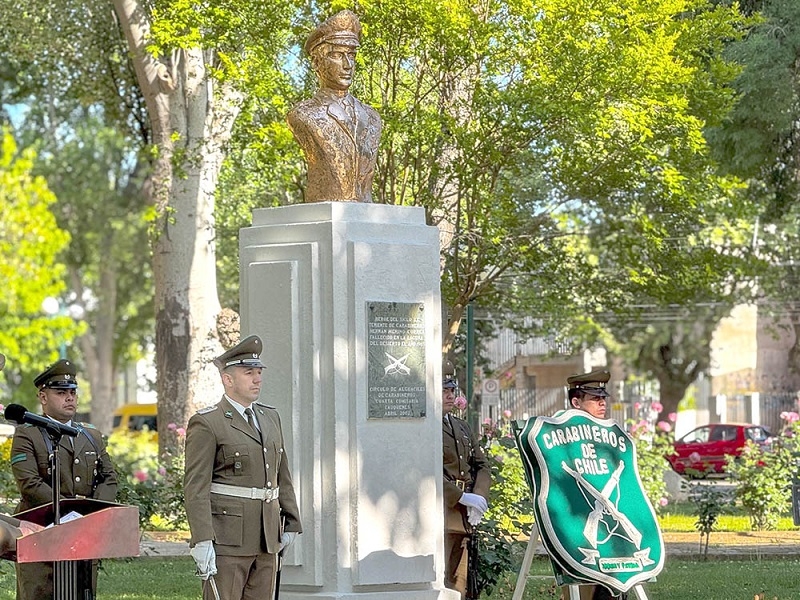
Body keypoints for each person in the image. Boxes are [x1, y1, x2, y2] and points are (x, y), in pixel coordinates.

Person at [184, 334, 302, 600]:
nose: (257, 379)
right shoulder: (208, 422)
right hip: (228, 540)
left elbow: (281, 473)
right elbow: (196, 487)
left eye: (259, 372)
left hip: (267, 537)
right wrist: (202, 539)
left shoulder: (270, 417)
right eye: (249, 373)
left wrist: (292, 520)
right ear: (228, 379)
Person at [10, 358, 118, 600]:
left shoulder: (90, 435)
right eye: (61, 392)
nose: (70, 398)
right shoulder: (28, 434)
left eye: (72, 392)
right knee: (40, 593)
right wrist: (68, 513)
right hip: (39, 531)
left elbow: (109, 477)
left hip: (84, 535)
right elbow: (29, 484)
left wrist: (93, 512)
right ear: (43, 397)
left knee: (81, 592)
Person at [286, 9, 382, 203]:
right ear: (316, 61)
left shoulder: (373, 118)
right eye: (338, 55)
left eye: (352, 55)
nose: (348, 64)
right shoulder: (305, 115)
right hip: (326, 208)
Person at [564, 369, 627, 600]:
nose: (602, 403)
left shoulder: (610, 437)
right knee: (584, 588)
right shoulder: (563, 436)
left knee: (615, 588)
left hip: (610, 523)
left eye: (603, 398)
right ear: (576, 402)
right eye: (594, 398)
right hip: (578, 521)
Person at [441, 361, 491, 599]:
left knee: (461, 583)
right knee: (442, 579)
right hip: (443, 510)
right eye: (444, 391)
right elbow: (427, 470)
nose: (450, 395)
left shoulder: (461, 426)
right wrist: (459, 496)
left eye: (452, 390)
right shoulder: (426, 427)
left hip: (464, 514)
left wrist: (478, 497)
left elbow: (481, 464)